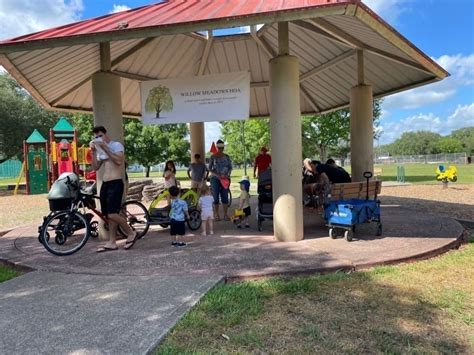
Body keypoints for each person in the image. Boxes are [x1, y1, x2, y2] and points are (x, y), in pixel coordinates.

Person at [89, 126, 137, 252]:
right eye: (96, 137)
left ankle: (130, 233)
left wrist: (106, 147)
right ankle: (112, 242)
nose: (98, 138)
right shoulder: (99, 150)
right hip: (105, 183)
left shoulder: (116, 145)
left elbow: (119, 161)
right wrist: (93, 152)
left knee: (112, 213)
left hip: (116, 182)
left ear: (105, 134)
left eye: (100, 135)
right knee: (108, 215)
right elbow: (95, 167)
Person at [208, 139, 233, 221]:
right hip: (215, 179)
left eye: (222, 147)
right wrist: (216, 175)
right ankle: (216, 215)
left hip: (225, 179)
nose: (220, 149)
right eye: (219, 147)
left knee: (225, 196)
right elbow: (209, 168)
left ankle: (225, 215)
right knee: (215, 197)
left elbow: (230, 167)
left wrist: (227, 174)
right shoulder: (213, 157)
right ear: (217, 147)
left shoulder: (227, 156)